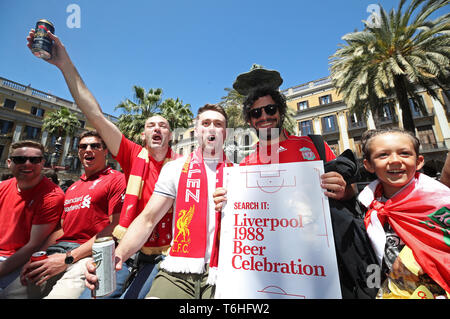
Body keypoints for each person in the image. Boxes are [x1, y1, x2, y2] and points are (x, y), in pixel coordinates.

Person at [26, 29, 177, 298]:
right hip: (124, 250)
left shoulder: (184, 165)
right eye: (150, 125)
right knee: (92, 296)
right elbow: (94, 114)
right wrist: (64, 64)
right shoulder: (132, 155)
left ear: (170, 135)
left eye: (163, 126)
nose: (157, 129)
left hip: (166, 254)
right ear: (142, 136)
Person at [86, 104, 233, 299]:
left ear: (226, 133)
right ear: (196, 130)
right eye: (205, 123)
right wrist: (118, 255)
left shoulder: (240, 174)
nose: (212, 128)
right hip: (177, 271)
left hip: (223, 271)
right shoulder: (174, 168)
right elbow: (148, 219)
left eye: (218, 124)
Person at [1, 131, 126, 298]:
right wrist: (36, 257)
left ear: (105, 151)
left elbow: (115, 227)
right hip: (56, 252)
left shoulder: (117, 179)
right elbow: (61, 228)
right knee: (10, 294)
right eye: (83, 146)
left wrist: (67, 259)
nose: (88, 149)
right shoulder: (73, 187)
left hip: (87, 256)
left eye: (95, 146)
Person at [358, 128, 450, 298]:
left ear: (419, 161)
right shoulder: (364, 206)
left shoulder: (440, 199)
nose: (395, 161)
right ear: (368, 165)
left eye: (405, 153)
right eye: (383, 155)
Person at [0, 140, 64, 291]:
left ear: (42, 163)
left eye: (34, 160)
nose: (27, 164)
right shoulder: (2, 187)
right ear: (9, 162)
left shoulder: (52, 196)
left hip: (18, 261)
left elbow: (33, 246)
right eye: (20, 159)